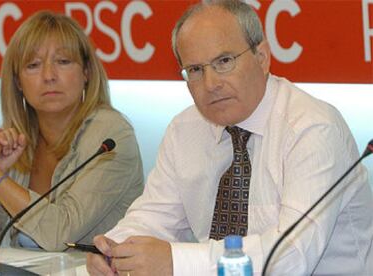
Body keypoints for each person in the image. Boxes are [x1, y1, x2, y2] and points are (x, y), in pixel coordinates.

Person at [86, 0, 373, 275]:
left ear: (262, 58)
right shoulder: (185, 128)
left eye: (224, 61)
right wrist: (115, 248)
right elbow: (155, 216)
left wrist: (177, 263)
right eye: (196, 70)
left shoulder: (312, 128)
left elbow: (290, 258)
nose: (211, 84)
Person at [0, 11, 144, 251]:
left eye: (63, 62)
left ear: (86, 71)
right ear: (17, 82)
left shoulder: (111, 136)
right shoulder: (19, 140)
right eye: (33, 65)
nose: (49, 76)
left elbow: (59, 234)